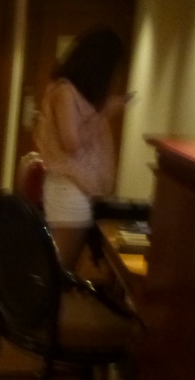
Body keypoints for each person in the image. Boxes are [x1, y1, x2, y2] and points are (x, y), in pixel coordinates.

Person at [33, 27, 129, 268]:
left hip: (73, 191)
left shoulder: (71, 91)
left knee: (62, 268)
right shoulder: (64, 91)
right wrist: (106, 112)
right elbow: (72, 143)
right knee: (61, 270)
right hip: (68, 192)